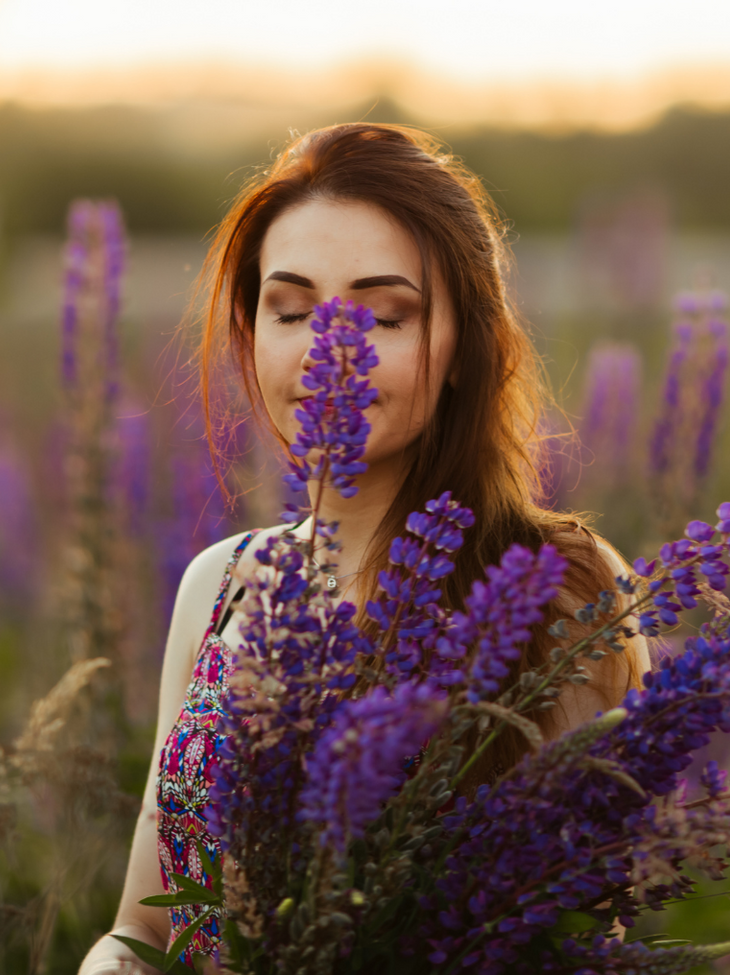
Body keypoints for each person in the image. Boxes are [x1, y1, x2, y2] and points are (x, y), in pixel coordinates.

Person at [77, 122, 649, 974]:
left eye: (384, 315)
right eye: (292, 309)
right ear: (251, 331)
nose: (327, 352)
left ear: (464, 345)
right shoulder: (221, 585)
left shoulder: (555, 582)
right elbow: (148, 927)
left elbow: (586, 940)